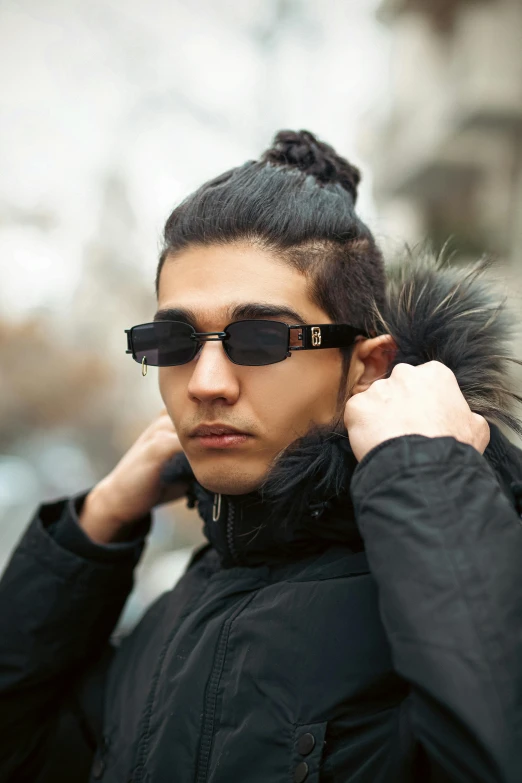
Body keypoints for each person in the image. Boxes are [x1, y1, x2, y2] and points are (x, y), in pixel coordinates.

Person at [1, 130, 522, 783]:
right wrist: (93, 527)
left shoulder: (454, 575)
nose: (205, 381)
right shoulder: (166, 623)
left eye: (261, 337)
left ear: (368, 366)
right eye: (175, 339)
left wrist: (430, 470)